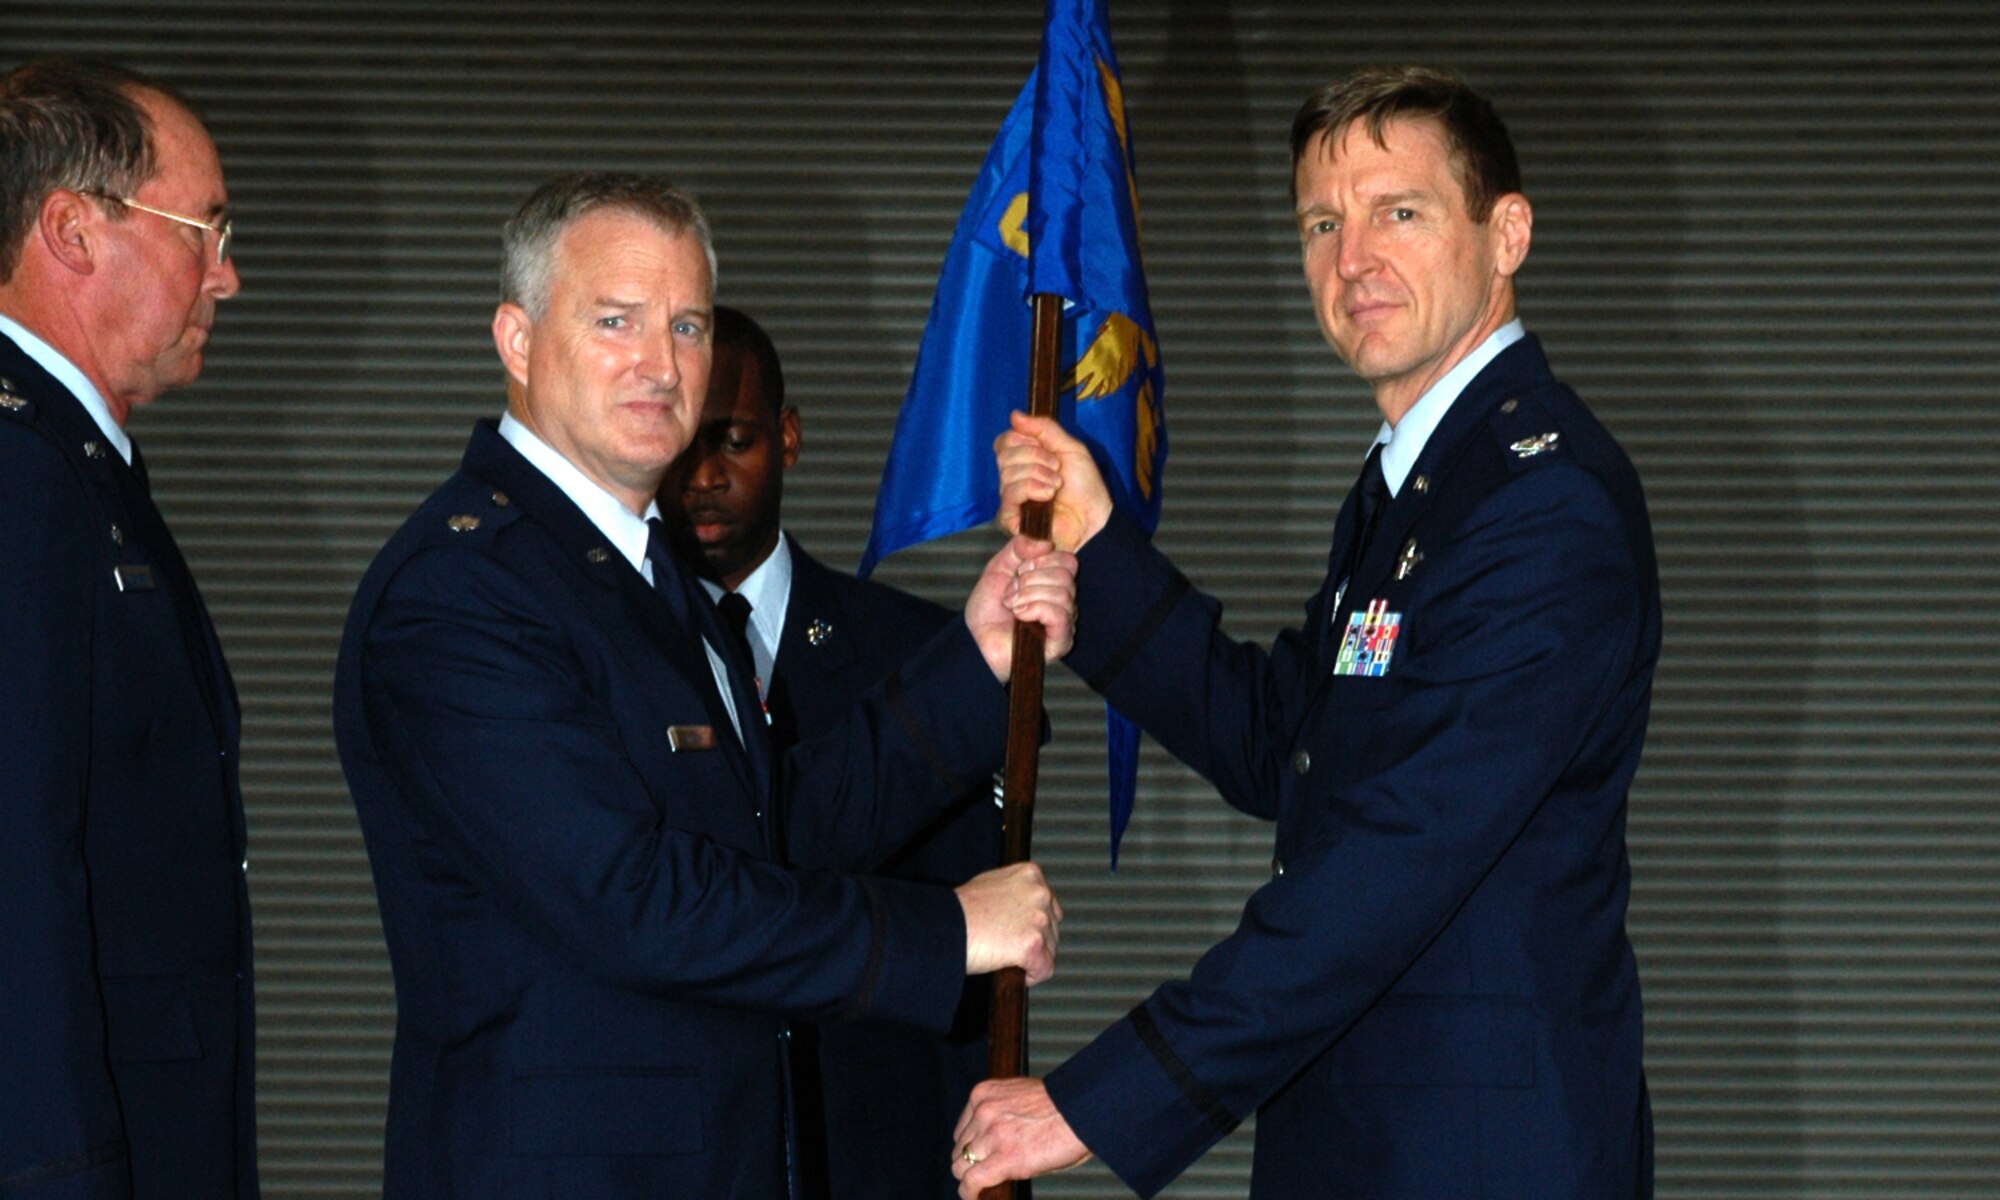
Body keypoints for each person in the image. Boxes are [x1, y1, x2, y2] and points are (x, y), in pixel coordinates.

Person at [958, 65, 1660, 1199]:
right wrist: (1094, 549)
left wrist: (1102, 1100)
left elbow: (1393, 857)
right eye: (1322, 224)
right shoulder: (1424, 480)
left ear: (1506, 235)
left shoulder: (1540, 503)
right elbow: (1290, 742)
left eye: (1399, 213)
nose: (1353, 260)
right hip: (1370, 1137)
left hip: (1473, 1159)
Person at [333, 173, 1074, 1200]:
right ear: (517, 340)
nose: (660, 364)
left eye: (685, 326)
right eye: (615, 320)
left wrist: (977, 659)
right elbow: (631, 896)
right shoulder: (461, 590)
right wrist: (945, 932)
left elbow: (768, 828)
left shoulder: (638, 572)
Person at [659, 305, 1000, 1200]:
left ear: (788, 436)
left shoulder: (923, 660)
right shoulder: (617, 660)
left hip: (880, 1153)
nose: (703, 475)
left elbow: (970, 965)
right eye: (682, 445)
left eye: (733, 441)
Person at [0, 58, 255, 1200]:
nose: (227, 275)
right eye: (205, 230)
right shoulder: (20, 477)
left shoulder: (75, 466)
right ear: (72, 230)